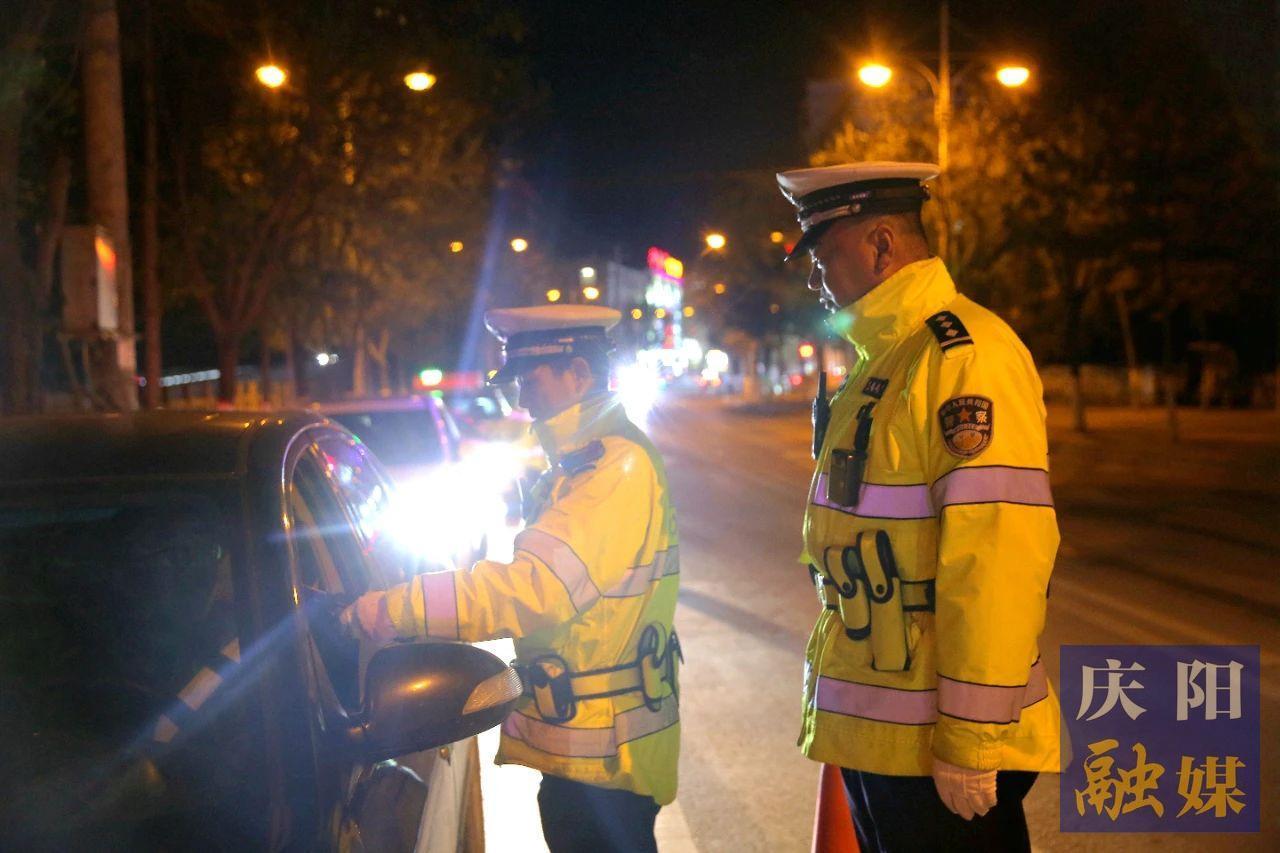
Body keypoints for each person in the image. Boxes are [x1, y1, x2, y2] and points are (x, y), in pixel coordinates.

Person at [777, 161, 1061, 851]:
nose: (815, 276)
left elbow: (995, 556)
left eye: (824, 252)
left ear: (880, 244)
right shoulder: (886, 357)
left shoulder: (963, 356)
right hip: (885, 728)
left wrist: (972, 737)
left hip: (934, 737)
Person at [341, 304, 680, 853]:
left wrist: (391, 609)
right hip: (590, 749)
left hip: (606, 754)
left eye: (531, 380)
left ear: (579, 373)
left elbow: (533, 589)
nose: (522, 400)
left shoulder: (614, 467)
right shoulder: (580, 463)